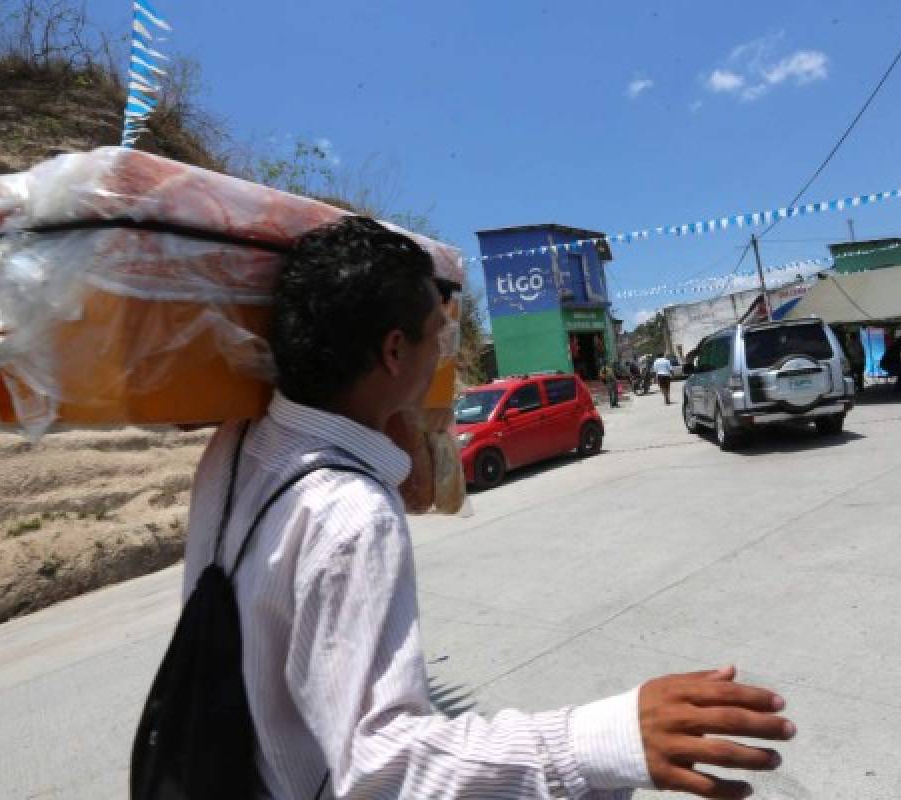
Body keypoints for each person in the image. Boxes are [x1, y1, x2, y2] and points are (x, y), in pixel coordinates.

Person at [179, 217, 792, 799]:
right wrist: (599, 739)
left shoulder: (234, 447)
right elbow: (380, 771)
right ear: (395, 351)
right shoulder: (349, 516)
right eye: (437, 337)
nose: (442, 355)